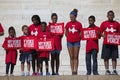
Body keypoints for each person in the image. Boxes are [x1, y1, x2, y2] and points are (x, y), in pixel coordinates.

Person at [100, 10, 120, 75]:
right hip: (106, 43)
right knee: (106, 57)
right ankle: (107, 70)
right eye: (109, 15)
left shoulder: (117, 24)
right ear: (107, 16)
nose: (110, 16)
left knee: (114, 57)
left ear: (114, 16)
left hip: (114, 43)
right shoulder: (103, 23)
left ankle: (114, 70)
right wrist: (103, 35)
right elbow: (100, 31)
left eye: (112, 15)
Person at [65, 9, 82, 75]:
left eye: (72, 17)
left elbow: (81, 32)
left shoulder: (79, 24)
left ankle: (76, 70)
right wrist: (68, 37)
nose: (71, 18)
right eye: (70, 17)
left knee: (76, 56)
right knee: (71, 56)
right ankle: (72, 70)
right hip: (69, 42)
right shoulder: (68, 24)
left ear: (75, 17)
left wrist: (78, 38)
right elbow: (66, 31)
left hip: (76, 42)